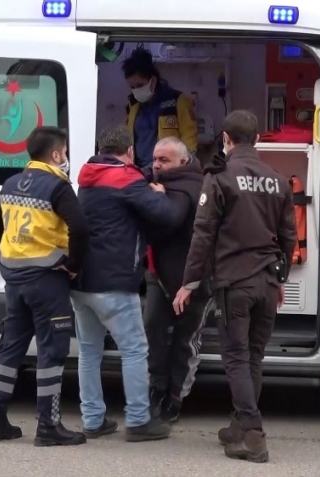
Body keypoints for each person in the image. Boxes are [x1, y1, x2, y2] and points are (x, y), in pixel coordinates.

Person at [173, 110, 297, 464]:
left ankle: (253, 434)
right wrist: (281, 279)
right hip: (267, 281)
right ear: (256, 139)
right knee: (253, 357)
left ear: (226, 139)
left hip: (235, 281)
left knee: (236, 359)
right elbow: (289, 237)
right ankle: (239, 425)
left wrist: (188, 283)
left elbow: (203, 236)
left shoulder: (220, 177)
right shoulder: (277, 180)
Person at [0, 126, 89, 447]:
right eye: (65, 153)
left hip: (15, 279)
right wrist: (73, 266)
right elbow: (80, 228)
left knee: (10, 348)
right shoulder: (58, 186)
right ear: (55, 155)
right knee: (51, 352)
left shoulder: (11, 184)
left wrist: (3, 262)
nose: (66, 159)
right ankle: (48, 425)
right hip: (47, 279)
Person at [72, 125, 179, 442]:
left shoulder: (88, 178)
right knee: (134, 350)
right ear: (130, 151)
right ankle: (138, 420)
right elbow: (166, 216)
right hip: (115, 281)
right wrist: (158, 193)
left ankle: (93, 420)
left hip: (81, 282)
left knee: (89, 353)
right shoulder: (127, 179)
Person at [141, 137, 211, 424]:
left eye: (163, 160)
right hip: (159, 275)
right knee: (153, 332)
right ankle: (156, 389)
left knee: (185, 341)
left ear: (183, 162)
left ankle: (174, 399)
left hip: (194, 280)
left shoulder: (193, 189)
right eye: (155, 159)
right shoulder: (156, 181)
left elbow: (169, 218)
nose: (157, 165)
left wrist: (156, 199)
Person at [123, 46, 198, 168]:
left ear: (152, 80)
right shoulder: (133, 107)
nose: (136, 90)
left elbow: (190, 142)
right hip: (138, 170)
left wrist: (182, 170)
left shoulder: (178, 101)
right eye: (132, 87)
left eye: (140, 85)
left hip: (168, 170)